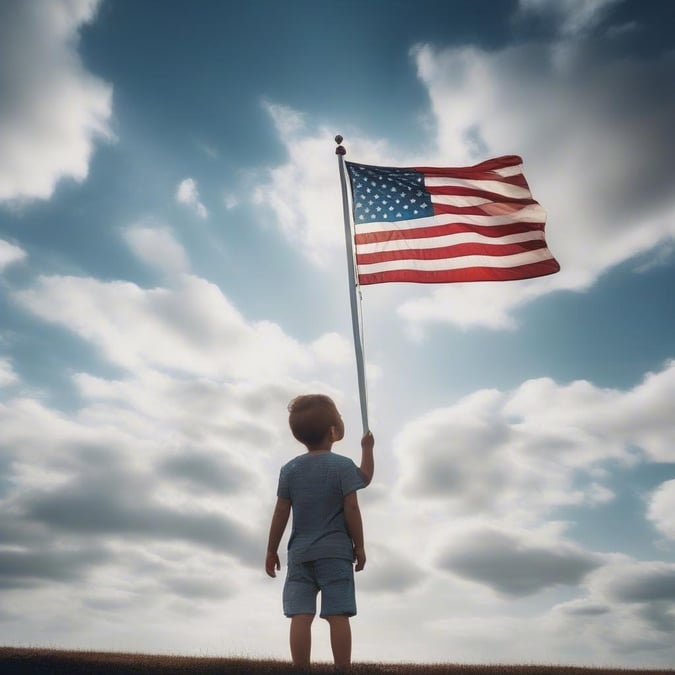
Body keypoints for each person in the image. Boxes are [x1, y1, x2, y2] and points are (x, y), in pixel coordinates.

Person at [265, 394, 375, 669]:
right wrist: (359, 546)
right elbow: (355, 501)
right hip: (335, 555)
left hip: (300, 554)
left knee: (300, 615)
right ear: (333, 431)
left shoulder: (289, 469)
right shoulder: (342, 466)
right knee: (338, 614)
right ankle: (342, 670)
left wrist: (270, 549)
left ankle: (301, 669)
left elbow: (280, 512)